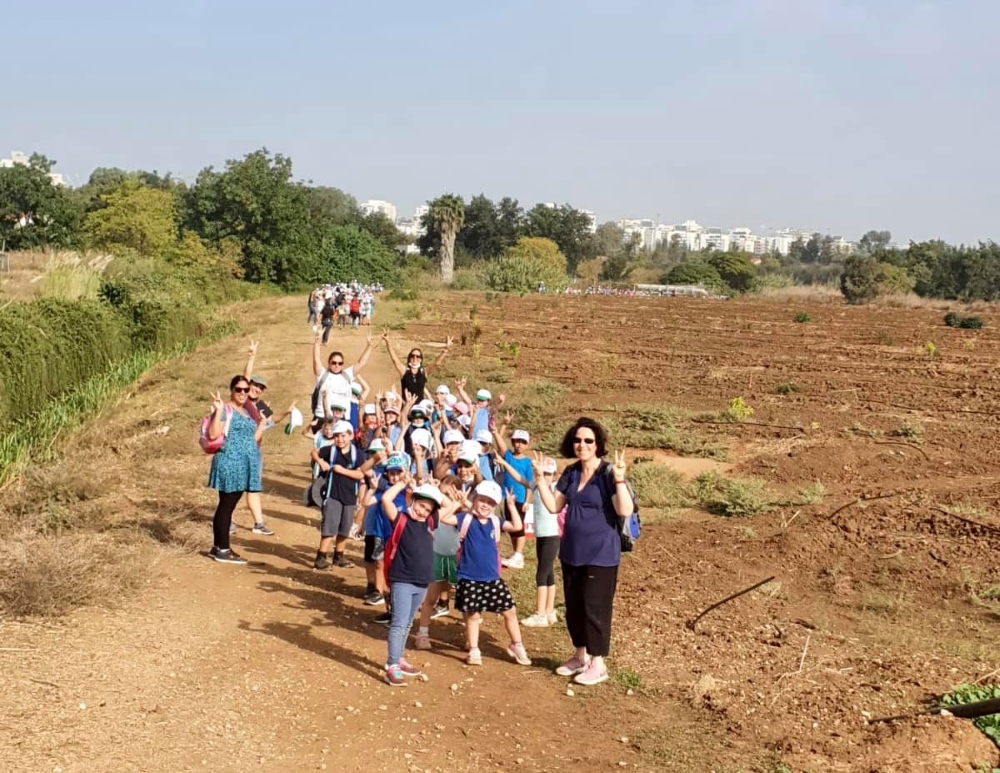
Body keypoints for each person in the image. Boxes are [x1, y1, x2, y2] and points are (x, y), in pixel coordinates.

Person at [531, 418, 633, 686]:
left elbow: (624, 510)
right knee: (574, 607)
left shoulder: (608, 474)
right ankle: (580, 655)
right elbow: (554, 506)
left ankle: (598, 663)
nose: (582, 445)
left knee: (594, 609)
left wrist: (620, 479)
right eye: (578, 440)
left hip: (601, 555)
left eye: (588, 440)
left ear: (598, 444)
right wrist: (540, 479)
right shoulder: (572, 472)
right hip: (571, 552)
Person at [439, 481, 531, 668]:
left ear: (495, 505)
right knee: (473, 615)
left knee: (510, 611)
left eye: (490, 502)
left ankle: (517, 644)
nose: (485, 505)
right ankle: (474, 649)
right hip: (469, 577)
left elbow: (517, 526)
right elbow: (443, 518)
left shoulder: (496, 522)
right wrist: (457, 503)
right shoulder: (465, 519)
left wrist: (512, 506)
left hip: (492, 578)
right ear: (474, 499)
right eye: (482, 500)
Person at [380, 481, 453, 686]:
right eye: (421, 505)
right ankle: (392, 665)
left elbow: (447, 505)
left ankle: (398, 658)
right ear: (412, 499)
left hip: (421, 581)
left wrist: (436, 489)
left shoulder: (429, 523)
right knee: (399, 623)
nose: (422, 511)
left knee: (408, 623)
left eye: (428, 509)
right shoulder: (400, 518)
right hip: (402, 579)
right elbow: (386, 499)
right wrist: (404, 482)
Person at [206, 375, 266, 564]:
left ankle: (220, 546)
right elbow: (214, 433)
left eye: (245, 390)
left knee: (227, 505)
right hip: (230, 462)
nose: (242, 393)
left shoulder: (245, 411)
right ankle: (222, 549)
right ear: (231, 390)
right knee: (227, 506)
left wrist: (263, 424)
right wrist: (217, 411)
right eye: (238, 389)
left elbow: (252, 439)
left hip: (243, 464)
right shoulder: (226, 409)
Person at [313, 420, 376, 569]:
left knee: (345, 528)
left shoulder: (357, 455)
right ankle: (321, 557)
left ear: (350, 436)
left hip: (349, 497)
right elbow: (314, 451)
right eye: (336, 436)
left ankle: (339, 556)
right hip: (332, 495)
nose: (339, 439)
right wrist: (320, 462)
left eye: (343, 436)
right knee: (329, 527)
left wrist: (340, 470)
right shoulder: (330, 450)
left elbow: (360, 474)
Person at [520, 456, 561, 627]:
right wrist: (504, 463)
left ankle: (540, 614)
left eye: (548, 474)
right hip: (542, 535)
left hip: (551, 535)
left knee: (541, 575)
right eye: (543, 473)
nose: (545, 476)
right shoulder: (536, 484)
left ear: (554, 475)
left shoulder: (555, 488)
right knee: (549, 573)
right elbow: (520, 479)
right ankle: (550, 610)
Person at [309, 330, 375, 434]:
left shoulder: (347, 375)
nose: (337, 365)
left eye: (340, 363)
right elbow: (316, 360)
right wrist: (317, 341)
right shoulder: (322, 374)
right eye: (334, 362)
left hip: (342, 419)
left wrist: (369, 346)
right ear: (329, 363)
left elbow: (361, 363)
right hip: (322, 418)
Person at [492, 419, 534, 570]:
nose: (519, 445)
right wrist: (498, 430)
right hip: (507, 498)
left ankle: (519, 554)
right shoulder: (508, 456)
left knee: (519, 527)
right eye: (516, 441)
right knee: (512, 527)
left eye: (523, 442)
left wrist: (527, 502)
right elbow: (501, 446)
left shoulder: (528, 462)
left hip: (520, 499)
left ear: (527, 444)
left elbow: (530, 484)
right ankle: (517, 554)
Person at [382, 330, 454, 401]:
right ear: (409, 358)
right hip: (406, 406)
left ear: (420, 359)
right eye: (412, 356)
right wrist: (388, 342)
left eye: (417, 356)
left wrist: (446, 349)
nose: (415, 358)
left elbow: (436, 363)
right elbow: (395, 360)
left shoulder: (424, 371)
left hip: (421, 407)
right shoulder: (404, 371)